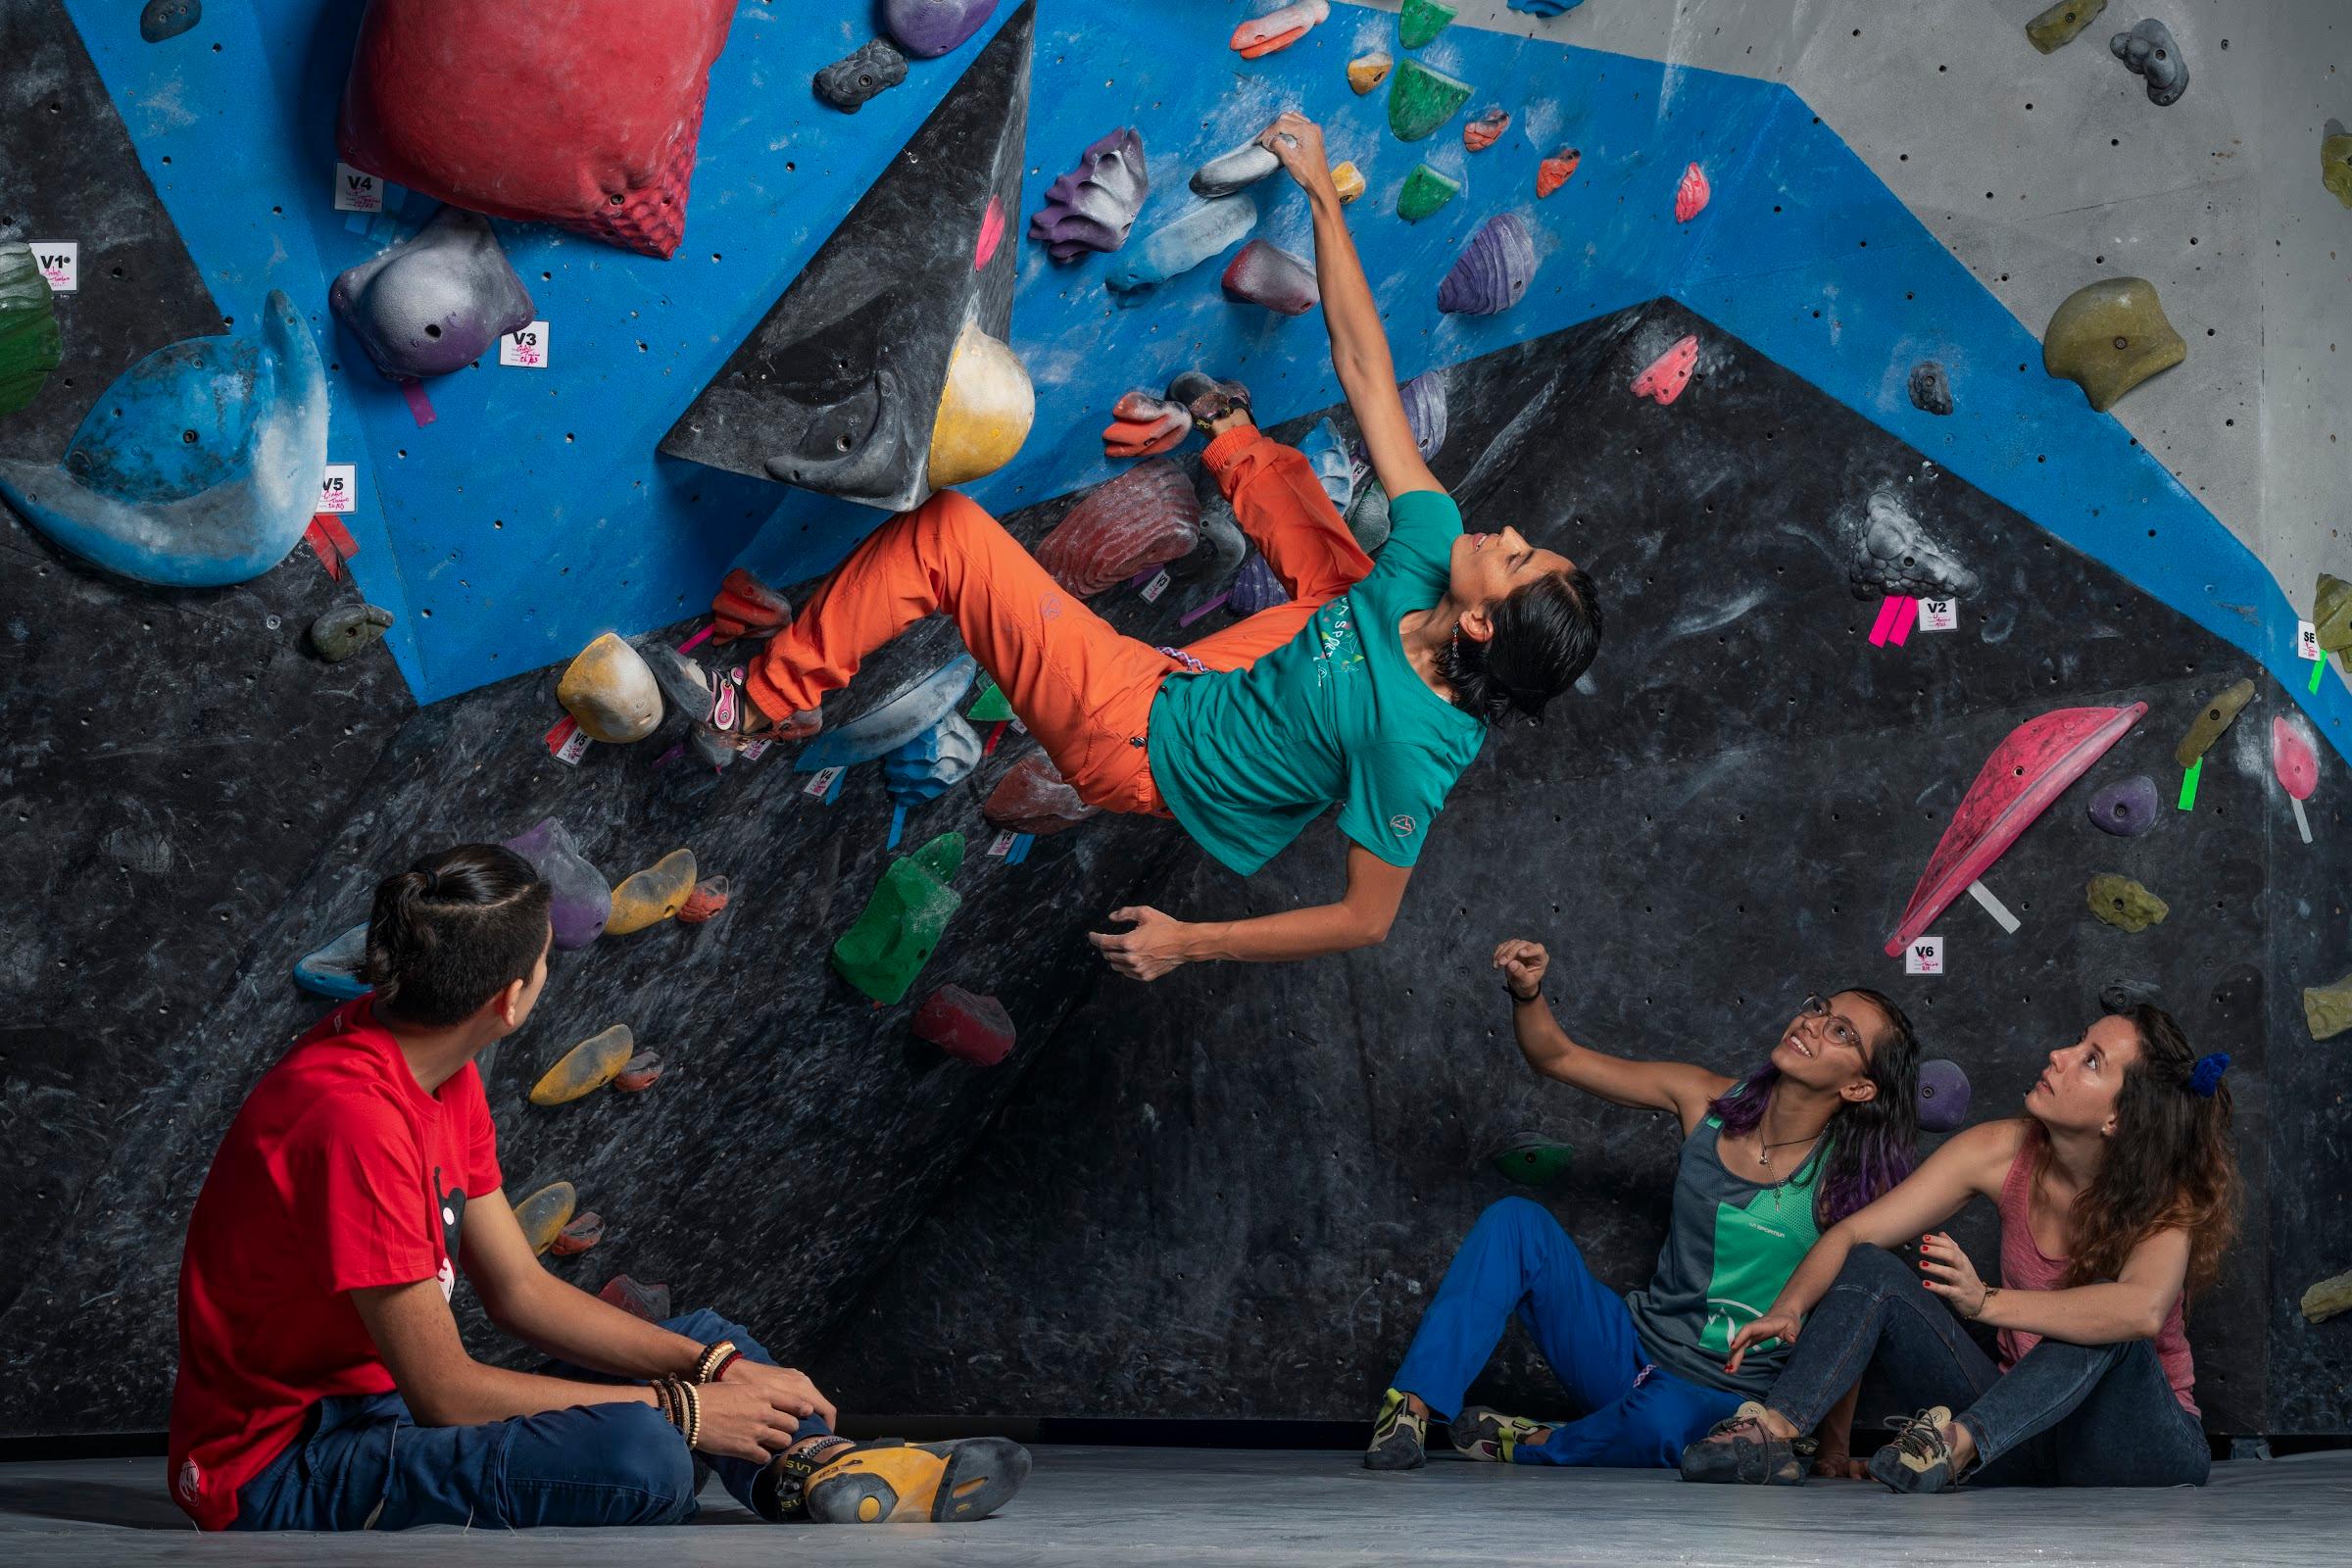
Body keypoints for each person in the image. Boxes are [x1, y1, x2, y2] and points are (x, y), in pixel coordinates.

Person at [665, 110, 1601, 983]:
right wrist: (1320, 189)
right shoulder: (1438, 551)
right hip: (1227, 676)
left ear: (1481, 625)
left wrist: (1189, 942)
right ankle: (1233, 440)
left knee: (943, 537)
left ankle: (755, 707)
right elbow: (1366, 371)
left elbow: (1366, 919)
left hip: (1139, 735)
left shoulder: (1412, 748)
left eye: (1519, 559)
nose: (1510, 535)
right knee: (1355, 588)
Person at [168, 845, 1030, 1532]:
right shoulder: (353, 1118)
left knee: (710, 1339)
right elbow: (445, 1392)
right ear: (511, 1000)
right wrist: (686, 1411)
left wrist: (710, 1373)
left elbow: (520, 1290)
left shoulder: (436, 1067)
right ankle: (795, 1465)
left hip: (386, 1407)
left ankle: (817, 1471)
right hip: (283, 1461)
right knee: (644, 1456)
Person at [1362, 939, 1921, 1472]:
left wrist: (1833, 1450)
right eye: (1818, 1009)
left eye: (1841, 1032)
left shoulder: (1847, 1184)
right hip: (1627, 1354)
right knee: (1515, 1222)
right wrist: (1527, 994)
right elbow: (1558, 1057)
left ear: (1859, 1089)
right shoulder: (1704, 1100)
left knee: (1665, 1414)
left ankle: (1535, 1441)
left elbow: (1852, 1316)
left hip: (1727, 1397)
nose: (1812, 1024)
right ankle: (1409, 1410)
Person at [1679, 1001, 2235, 1492]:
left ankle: (1955, 1443)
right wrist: (1790, 1306)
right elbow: (1852, 1233)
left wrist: (1985, 1302)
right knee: (1870, 1266)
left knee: (2107, 1318)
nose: (2059, 1055)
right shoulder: (2002, 1150)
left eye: (2091, 1061)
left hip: (2134, 1443)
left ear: (2119, 1117)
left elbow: (2141, 1310)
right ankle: (1775, 1432)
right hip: (2019, 1430)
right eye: (2077, 1041)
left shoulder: (2166, 1193)